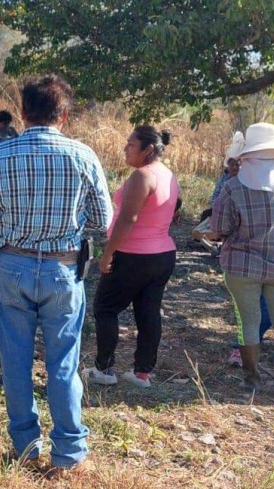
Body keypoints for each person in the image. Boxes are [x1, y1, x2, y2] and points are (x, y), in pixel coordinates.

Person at [0, 75, 112, 474]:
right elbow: (103, 220)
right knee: (63, 362)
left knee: (14, 362)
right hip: (63, 268)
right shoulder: (83, 156)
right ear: (64, 115)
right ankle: (68, 453)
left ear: (23, 112)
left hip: (12, 266)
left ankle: (25, 446)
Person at [210, 122, 274, 398]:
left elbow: (220, 228)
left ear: (248, 154)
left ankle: (252, 380)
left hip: (243, 267)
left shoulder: (234, 187)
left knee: (249, 322)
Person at [83, 126, 180, 388]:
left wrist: (108, 253)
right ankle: (142, 373)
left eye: (130, 144)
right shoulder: (168, 175)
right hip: (162, 254)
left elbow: (128, 219)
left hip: (134, 254)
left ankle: (103, 369)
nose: (125, 148)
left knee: (105, 307)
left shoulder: (142, 176)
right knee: (148, 311)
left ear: (147, 149)